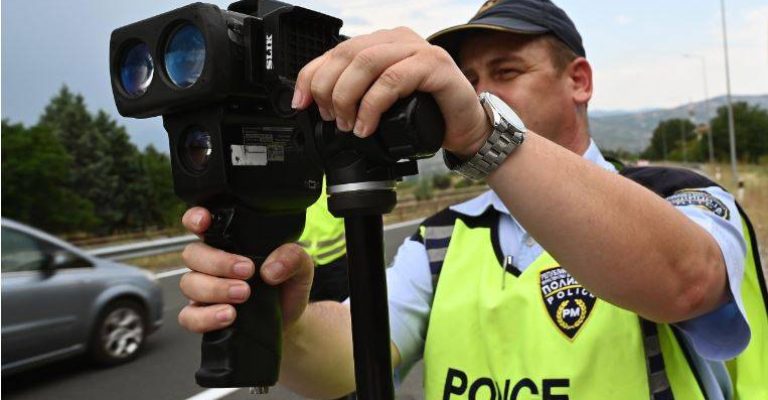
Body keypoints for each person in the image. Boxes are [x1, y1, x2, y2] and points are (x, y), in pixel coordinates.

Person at [177, 1, 767, 398]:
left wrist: (487, 134)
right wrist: (289, 323)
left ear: (579, 81)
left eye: (505, 71)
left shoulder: (674, 196)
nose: (480, 92)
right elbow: (355, 358)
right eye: (468, 78)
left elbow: (686, 282)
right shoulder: (441, 238)